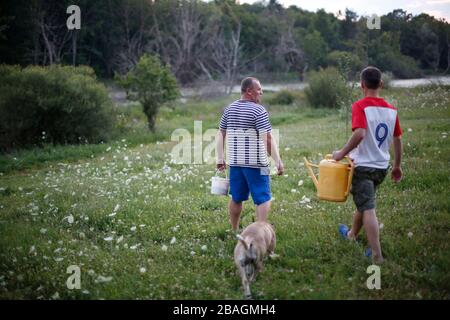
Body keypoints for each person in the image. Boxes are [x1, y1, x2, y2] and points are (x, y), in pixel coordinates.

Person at [332, 66, 403, 265]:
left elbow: (360, 133)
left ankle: (377, 255)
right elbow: (397, 139)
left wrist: (341, 153)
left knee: (369, 208)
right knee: (365, 202)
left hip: (363, 167)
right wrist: (397, 166)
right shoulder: (391, 110)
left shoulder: (360, 106)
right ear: (381, 84)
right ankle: (352, 234)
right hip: (381, 167)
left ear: (362, 85)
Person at [216, 77, 284, 232]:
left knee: (236, 198)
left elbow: (221, 133)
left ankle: (234, 230)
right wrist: (278, 161)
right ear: (249, 91)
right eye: (259, 89)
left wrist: (220, 158)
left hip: (235, 163)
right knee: (263, 198)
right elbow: (267, 137)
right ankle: (260, 232)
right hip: (257, 164)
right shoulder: (258, 110)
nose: (261, 92)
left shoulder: (229, 108)